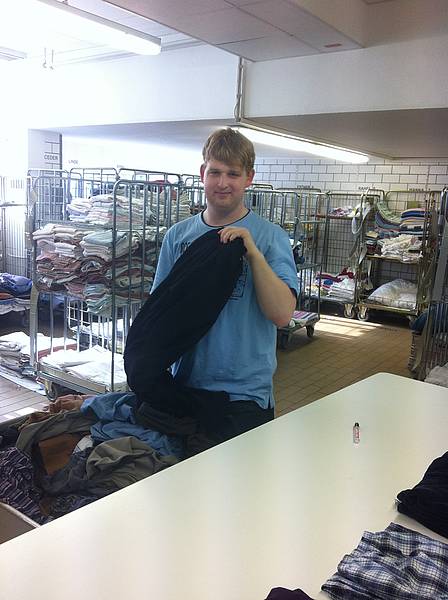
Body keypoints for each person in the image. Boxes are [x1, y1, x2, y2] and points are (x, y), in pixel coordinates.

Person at [151, 128, 298, 436]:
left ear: (249, 178)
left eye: (233, 173)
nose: (222, 183)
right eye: (215, 172)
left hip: (244, 397)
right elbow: (159, 314)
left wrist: (253, 254)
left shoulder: (270, 237)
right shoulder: (178, 237)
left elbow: (282, 315)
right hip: (186, 387)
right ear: (202, 173)